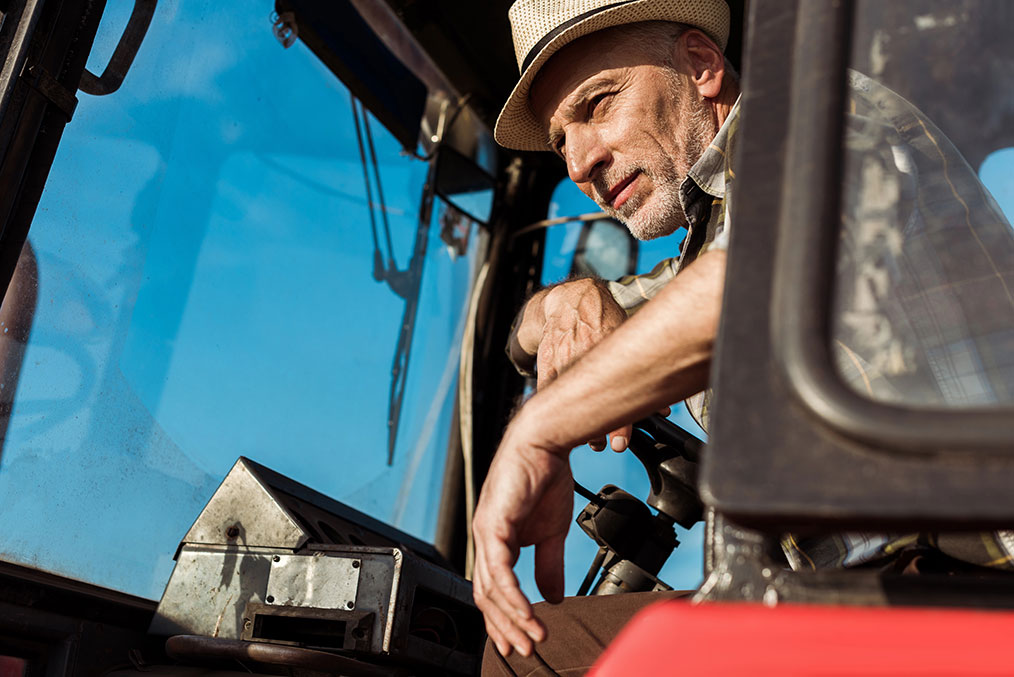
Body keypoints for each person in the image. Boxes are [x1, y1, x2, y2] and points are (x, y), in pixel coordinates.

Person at [473, 0, 1014, 674]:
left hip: (963, 587)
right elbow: (547, 329)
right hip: (825, 600)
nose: (579, 162)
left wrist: (541, 430)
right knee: (532, 647)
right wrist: (569, 301)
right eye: (560, 141)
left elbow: (762, 279)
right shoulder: (703, 250)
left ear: (700, 66)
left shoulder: (826, 119)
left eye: (597, 105)